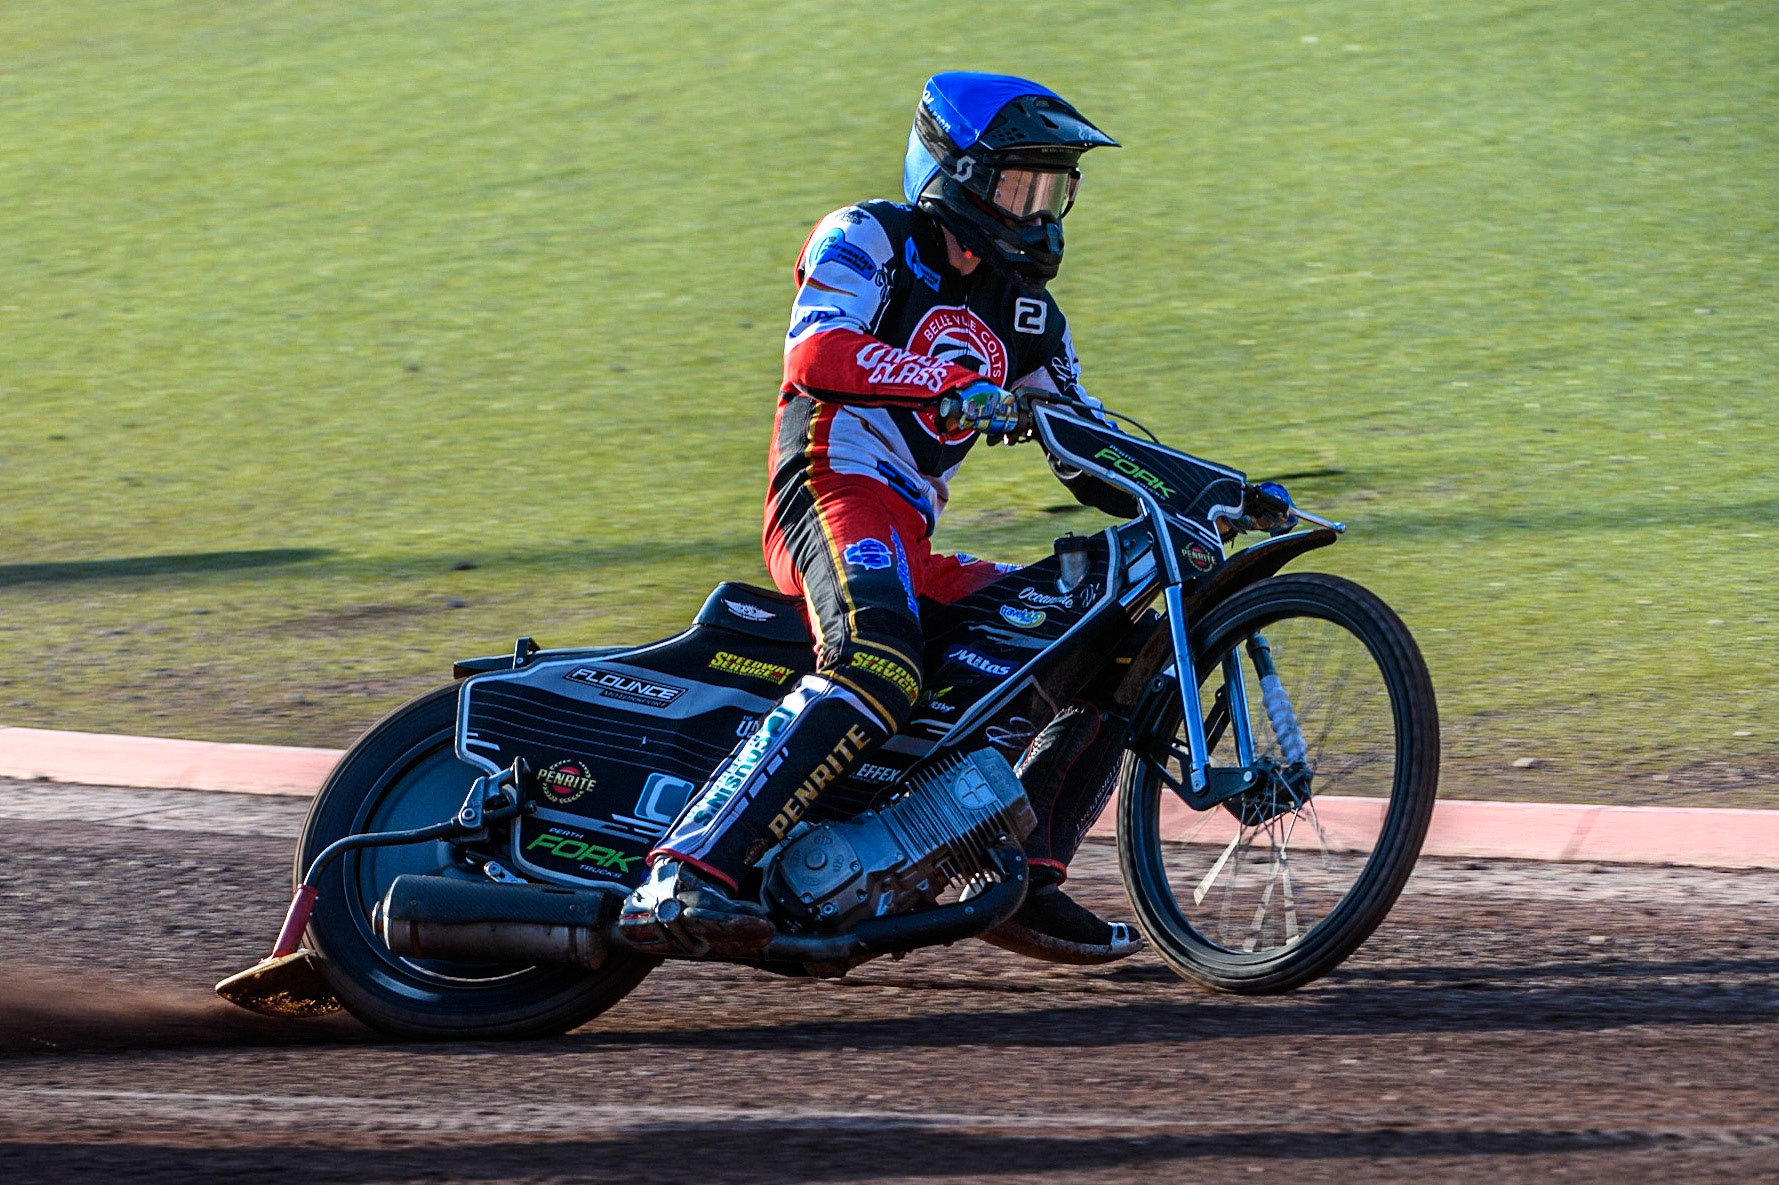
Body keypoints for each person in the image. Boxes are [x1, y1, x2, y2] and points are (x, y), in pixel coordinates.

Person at [620, 72, 1143, 964]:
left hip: (912, 535)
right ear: (954, 173)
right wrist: (952, 384)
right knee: (877, 659)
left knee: (1102, 628)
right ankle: (686, 869)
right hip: (827, 488)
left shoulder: (1030, 318)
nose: (1039, 210)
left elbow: (1085, 437)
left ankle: (1019, 870)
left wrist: (1199, 488)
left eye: (1054, 189)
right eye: (1020, 185)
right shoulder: (868, 234)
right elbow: (817, 349)